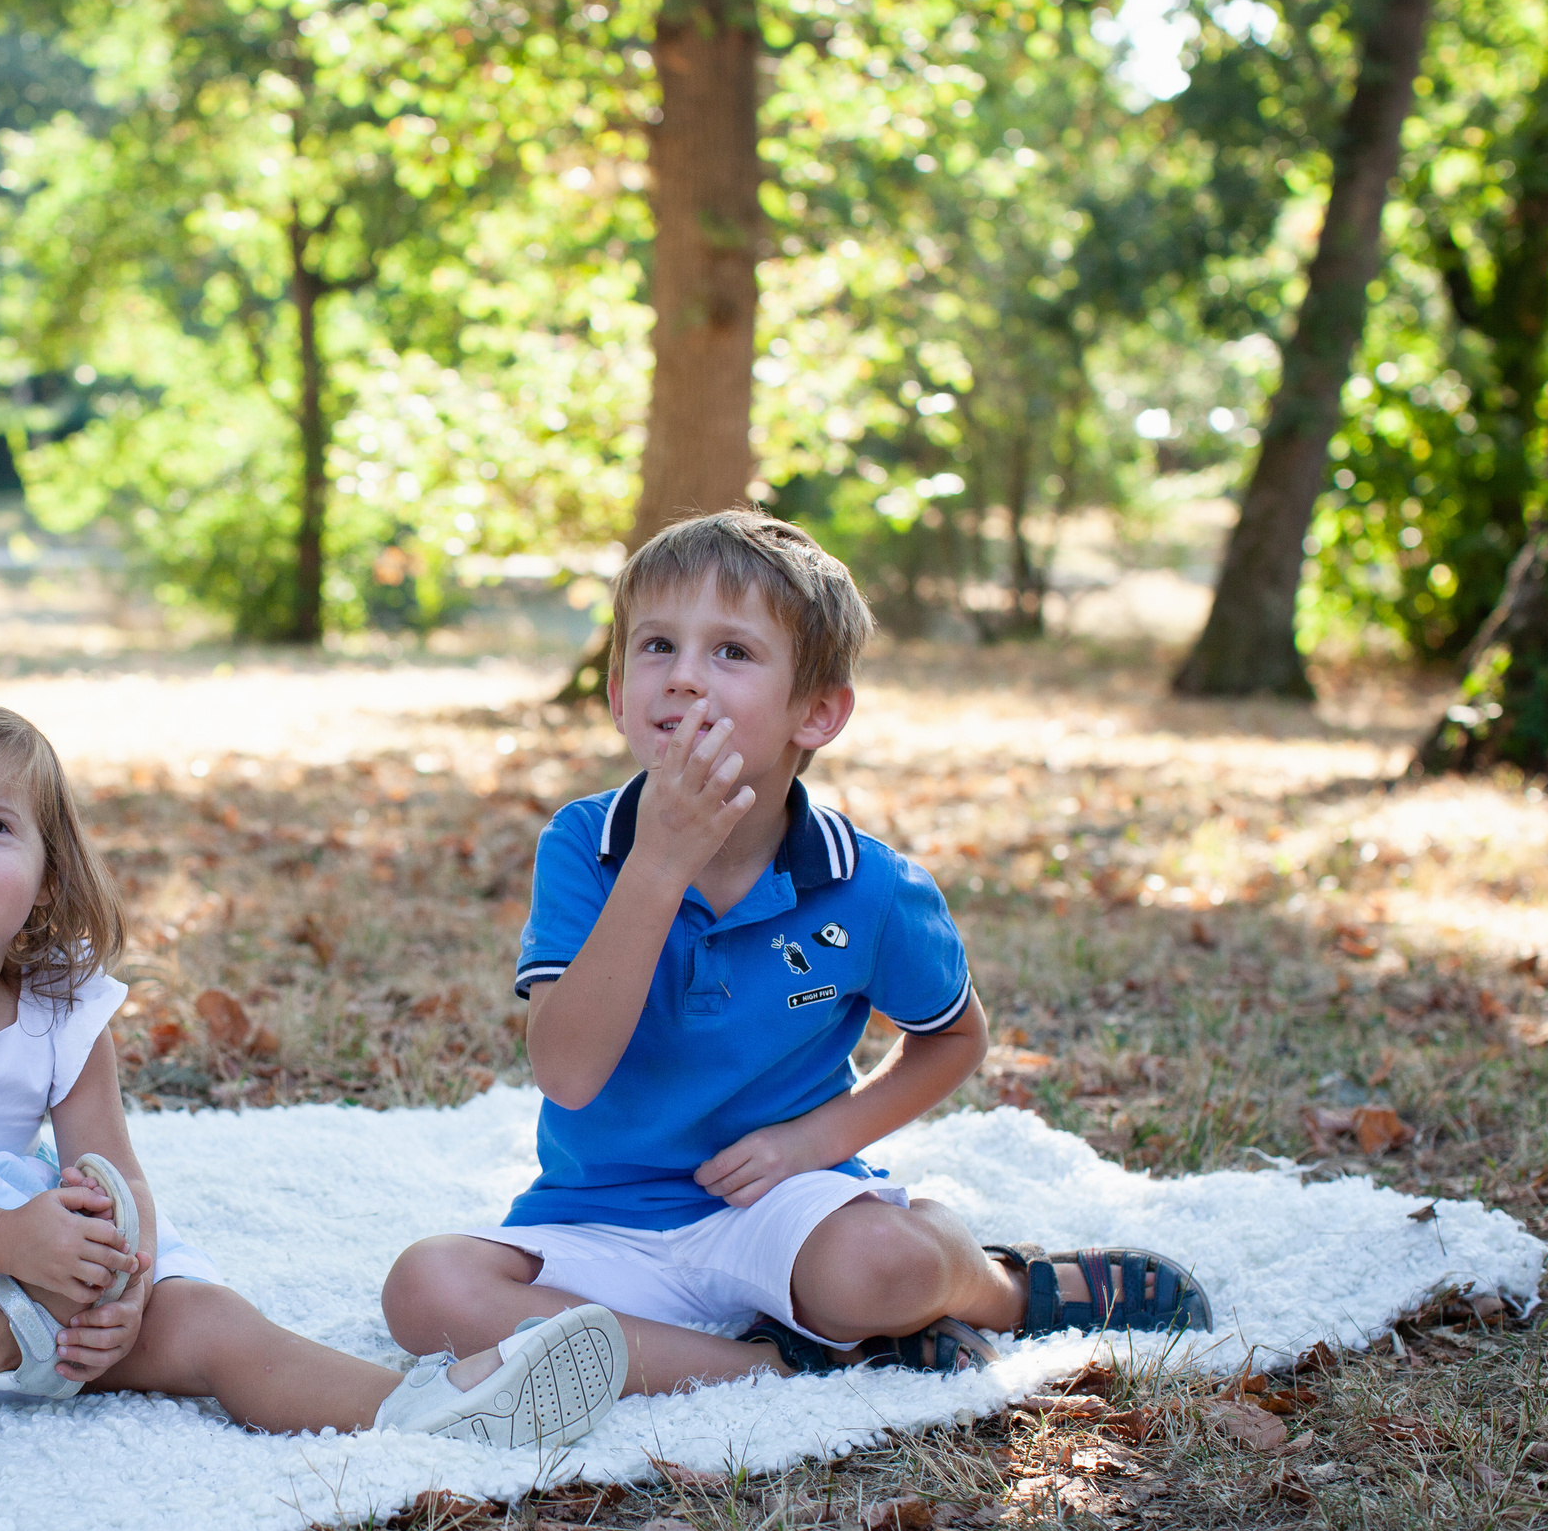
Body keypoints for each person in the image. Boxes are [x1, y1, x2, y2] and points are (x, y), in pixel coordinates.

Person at [381, 511, 1212, 1391]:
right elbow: (569, 1073)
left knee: (881, 1266)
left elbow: (954, 1037)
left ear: (815, 713)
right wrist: (660, 862)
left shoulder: (868, 883)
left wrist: (812, 1140)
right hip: (600, 1223)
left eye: (732, 653)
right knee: (427, 1291)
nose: (686, 678)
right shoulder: (584, 844)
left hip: (780, 1209)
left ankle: (1005, 1287)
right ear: (619, 691)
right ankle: (774, 1362)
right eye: (658, 645)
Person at [0, 699, 627, 1449]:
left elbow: (114, 1173)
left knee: (206, 1319)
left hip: (18, 1275)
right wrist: (14, 1276)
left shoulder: (64, 1009)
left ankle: (430, 1407)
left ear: (46, 874)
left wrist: (120, 1293)